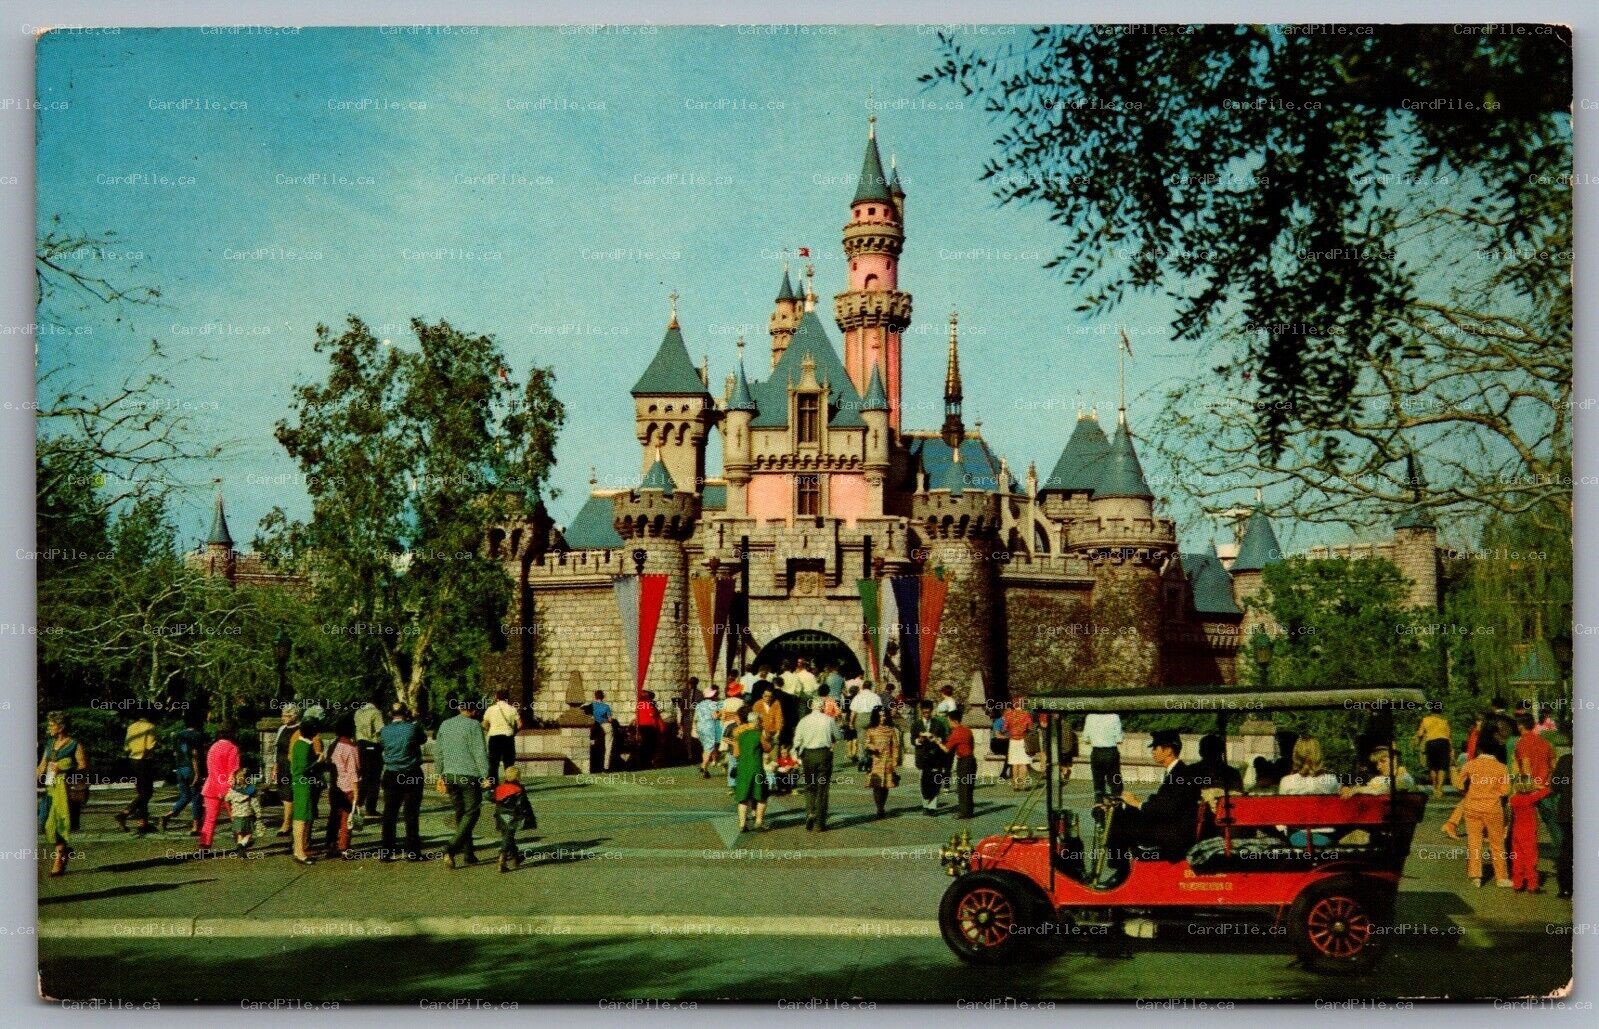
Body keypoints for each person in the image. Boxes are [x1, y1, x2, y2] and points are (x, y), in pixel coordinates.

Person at [1097, 729, 1198, 885]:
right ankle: (1120, 870)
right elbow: (1162, 803)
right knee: (1121, 814)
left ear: (1169, 750)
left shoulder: (1180, 775)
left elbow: (1166, 809)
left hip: (1173, 835)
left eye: (1156, 747)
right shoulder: (1177, 772)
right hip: (1171, 827)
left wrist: (1136, 803)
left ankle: (1120, 871)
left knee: (1119, 823)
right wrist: (1129, 805)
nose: (1152, 752)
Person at [1449, 738, 1511, 887]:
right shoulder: (1502, 767)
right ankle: (1501, 877)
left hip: (1472, 807)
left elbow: (1458, 784)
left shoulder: (1470, 765)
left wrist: (1467, 790)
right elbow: (1505, 791)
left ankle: (1475, 876)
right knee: (1497, 843)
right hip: (1493, 808)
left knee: (1474, 842)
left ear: (1479, 750)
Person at [438, 698, 490, 868]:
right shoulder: (474, 725)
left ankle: (469, 854)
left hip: (450, 775)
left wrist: (440, 774)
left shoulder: (445, 724)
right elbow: (480, 752)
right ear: (473, 711)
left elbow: (438, 751)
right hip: (468, 775)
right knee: (472, 812)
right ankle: (450, 848)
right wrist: (485, 775)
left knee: (461, 814)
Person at [37, 712, 87, 876]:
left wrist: (65, 768)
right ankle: (63, 851)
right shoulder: (50, 743)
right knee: (44, 823)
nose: (49, 728)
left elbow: (83, 765)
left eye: (52, 725)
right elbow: (42, 765)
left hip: (66, 791)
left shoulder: (74, 744)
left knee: (60, 823)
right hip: (50, 788)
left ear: (61, 726)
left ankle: (59, 857)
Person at [379, 703, 426, 861]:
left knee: (390, 813)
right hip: (411, 772)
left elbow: (382, 745)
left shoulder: (384, 731)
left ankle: (386, 850)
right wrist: (414, 720)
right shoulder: (412, 728)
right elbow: (422, 739)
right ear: (406, 713)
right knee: (411, 813)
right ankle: (413, 851)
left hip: (391, 772)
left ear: (390, 714)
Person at [1276, 738, 1340, 846]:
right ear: (1319, 755)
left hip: (1297, 836)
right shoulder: (1332, 780)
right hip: (1327, 835)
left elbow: (1282, 814)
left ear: (1296, 756)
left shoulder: (1286, 781)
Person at [793, 697, 840, 831]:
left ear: (811, 706)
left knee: (809, 785)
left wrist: (799, 751)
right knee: (822, 788)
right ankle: (820, 822)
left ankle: (810, 812)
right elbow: (838, 736)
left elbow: (797, 740)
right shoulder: (829, 720)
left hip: (808, 755)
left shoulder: (804, 720)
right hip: (824, 754)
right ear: (823, 707)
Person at [199, 722, 240, 855]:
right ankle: (241, 841)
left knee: (210, 818)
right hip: (228, 788)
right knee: (236, 816)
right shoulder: (233, 748)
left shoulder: (212, 747)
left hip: (211, 786)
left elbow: (210, 769)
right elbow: (233, 771)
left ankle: (205, 845)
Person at [323, 714, 361, 860]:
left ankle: (330, 845)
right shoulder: (351, 748)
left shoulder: (334, 745)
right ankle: (344, 847)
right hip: (348, 788)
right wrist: (357, 793)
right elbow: (353, 772)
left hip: (334, 786)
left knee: (334, 817)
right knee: (347, 819)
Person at [115, 713, 158, 835]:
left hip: (132, 760)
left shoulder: (131, 727)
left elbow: (126, 747)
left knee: (141, 792)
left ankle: (143, 823)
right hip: (144, 761)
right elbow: (150, 746)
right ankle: (125, 813)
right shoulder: (150, 726)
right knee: (147, 793)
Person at [288, 716, 324, 865]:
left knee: (301, 817)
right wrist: (318, 762)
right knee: (301, 818)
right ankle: (300, 851)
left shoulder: (298, 744)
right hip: (304, 785)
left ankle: (299, 849)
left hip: (299, 784)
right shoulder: (305, 746)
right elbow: (304, 768)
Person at [162, 720, 206, 835]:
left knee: (185, 796)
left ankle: (169, 814)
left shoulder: (178, 735)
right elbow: (194, 754)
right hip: (191, 769)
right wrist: (197, 773)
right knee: (196, 797)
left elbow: (175, 753)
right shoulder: (197, 735)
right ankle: (195, 826)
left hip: (180, 769)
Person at [730, 707, 770, 832]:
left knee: (743, 797)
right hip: (757, 768)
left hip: (743, 769)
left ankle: (742, 824)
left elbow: (736, 754)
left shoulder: (739, 735)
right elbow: (767, 748)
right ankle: (759, 821)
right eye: (761, 721)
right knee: (762, 796)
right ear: (757, 721)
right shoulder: (759, 735)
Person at [492, 765, 538, 872]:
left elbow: (492, 797)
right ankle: (502, 858)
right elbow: (523, 804)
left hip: (500, 816)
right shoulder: (519, 789)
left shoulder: (500, 787)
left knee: (508, 837)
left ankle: (516, 857)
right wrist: (527, 816)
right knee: (508, 837)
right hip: (512, 816)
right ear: (518, 777)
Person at [911, 700, 951, 816]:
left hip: (935, 757)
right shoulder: (916, 724)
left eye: (928, 712)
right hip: (922, 757)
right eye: (924, 713)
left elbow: (944, 739)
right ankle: (925, 805)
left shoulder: (938, 724)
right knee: (923, 783)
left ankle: (932, 807)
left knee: (935, 781)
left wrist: (936, 739)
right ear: (921, 711)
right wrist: (919, 740)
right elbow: (912, 741)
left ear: (932, 711)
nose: (926, 715)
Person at [940, 706, 978, 819]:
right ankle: (969, 811)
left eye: (949, 721)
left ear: (954, 720)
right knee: (969, 787)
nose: (949, 723)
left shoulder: (956, 732)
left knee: (963, 787)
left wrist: (937, 742)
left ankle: (964, 813)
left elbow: (946, 749)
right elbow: (972, 745)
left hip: (964, 761)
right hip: (971, 760)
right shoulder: (968, 730)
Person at [863, 706, 900, 818]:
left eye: (884, 715)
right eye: (880, 716)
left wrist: (895, 760)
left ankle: (882, 806)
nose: (882, 718)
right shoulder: (871, 730)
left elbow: (895, 746)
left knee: (886, 786)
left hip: (888, 760)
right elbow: (866, 743)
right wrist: (872, 746)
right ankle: (879, 808)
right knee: (877, 786)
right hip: (875, 761)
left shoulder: (891, 730)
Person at [1342, 743, 1416, 797]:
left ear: (1394, 760)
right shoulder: (1378, 779)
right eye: (1377, 763)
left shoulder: (1405, 778)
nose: (1378, 767)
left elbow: (1384, 788)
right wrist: (1347, 788)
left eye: (1383, 761)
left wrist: (1357, 790)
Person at [1081, 711, 1124, 802]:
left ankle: (1099, 805)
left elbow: (1085, 739)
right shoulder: (1114, 716)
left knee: (1098, 783)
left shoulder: (1090, 716)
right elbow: (1119, 739)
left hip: (1096, 752)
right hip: (1111, 752)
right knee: (1115, 781)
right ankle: (1117, 805)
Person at [272, 704, 301, 837]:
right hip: (282, 764)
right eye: (283, 715)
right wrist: (275, 766)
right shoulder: (282, 729)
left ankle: (286, 824)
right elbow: (276, 749)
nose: (283, 718)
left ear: (294, 716)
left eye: (286, 715)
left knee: (289, 795)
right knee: (284, 795)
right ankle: (289, 821)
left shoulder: (299, 730)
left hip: (292, 765)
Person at [483, 688, 522, 784]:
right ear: (507, 697)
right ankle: (510, 783)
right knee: (509, 762)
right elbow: (520, 724)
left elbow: (484, 724)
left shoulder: (490, 709)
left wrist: (490, 730)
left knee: (493, 763)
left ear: (496, 697)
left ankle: (493, 784)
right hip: (508, 737)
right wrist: (513, 732)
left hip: (494, 738)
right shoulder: (512, 709)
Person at [354, 698, 385, 817]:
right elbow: (380, 730)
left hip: (361, 745)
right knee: (374, 777)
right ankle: (370, 808)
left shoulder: (358, 712)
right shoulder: (376, 712)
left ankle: (358, 802)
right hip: (372, 745)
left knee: (364, 775)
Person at [1414, 705, 1453, 798]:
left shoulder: (1425, 720)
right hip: (1444, 742)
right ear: (1440, 711)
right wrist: (1451, 750)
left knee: (1432, 766)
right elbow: (1449, 736)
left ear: (1431, 710)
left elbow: (1420, 733)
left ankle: (1435, 786)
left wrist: (1416, 741)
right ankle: (1439, 789)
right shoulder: (1444, 721)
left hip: (1431, 743)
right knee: (1442, 767)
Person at [225, 767, 264, 857]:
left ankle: (241, 851)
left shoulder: (232, 790)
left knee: (239, 834)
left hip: (236, 816)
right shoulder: (251, 791)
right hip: (247, 815)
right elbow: (255, 803)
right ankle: (241, 845)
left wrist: (230, 813)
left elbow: (226, 799)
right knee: (249, 834)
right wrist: (259, 814)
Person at [1551, 744, 1572, 899]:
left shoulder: (1565, 760)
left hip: (1567, 810)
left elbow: (1555, 785)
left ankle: (1566, 887)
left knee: (1567, 849)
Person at [1001, 698, 1033, 792]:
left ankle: (1015, 785)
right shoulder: (1026, 714)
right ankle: (1022, 784)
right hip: (1023, 740)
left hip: (1013, 741)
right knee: (1023, 763)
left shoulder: (1009, 715)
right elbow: (1030, 728)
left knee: (1014, 763)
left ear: (1014, 705)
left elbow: (1004, 728)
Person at [848, 680, 882, 770]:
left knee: (861, 740)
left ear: (863, 687)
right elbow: (879, 710)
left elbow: (853, 712)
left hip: (861, 718)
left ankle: (862, 759)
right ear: (871, 687)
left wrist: (851, 723)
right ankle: (870, 760)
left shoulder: (858, 697)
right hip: (872, 717)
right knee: (872, 739)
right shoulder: (875, 696)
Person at [693, 685, 723, 778]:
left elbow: (695, 718)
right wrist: (720, 715)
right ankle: (703, 766)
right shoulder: (713, 704)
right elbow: (715, 716)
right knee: (708, 748)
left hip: (700, 727)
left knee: (706, 747)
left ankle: (705, 769)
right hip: (709, 728)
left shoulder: (699, 704)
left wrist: (694, 728)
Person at [584, 691, 614, 772]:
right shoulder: (606, 706)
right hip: (606, 726)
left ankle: (594, 765)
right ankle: (606, 768)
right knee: (608, 747)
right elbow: (610, 719)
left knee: (595, 745)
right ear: (603, 697)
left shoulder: (592, 705)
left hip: (596, 726)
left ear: (595, 696)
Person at [635, 690, 663, 770]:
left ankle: (642, 762)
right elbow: (652, 714)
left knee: (643, 744)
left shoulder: (639, 704)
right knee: (650, 745)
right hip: (650, 726)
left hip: (641, 726)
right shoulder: (649, 703)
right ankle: (648, 762)